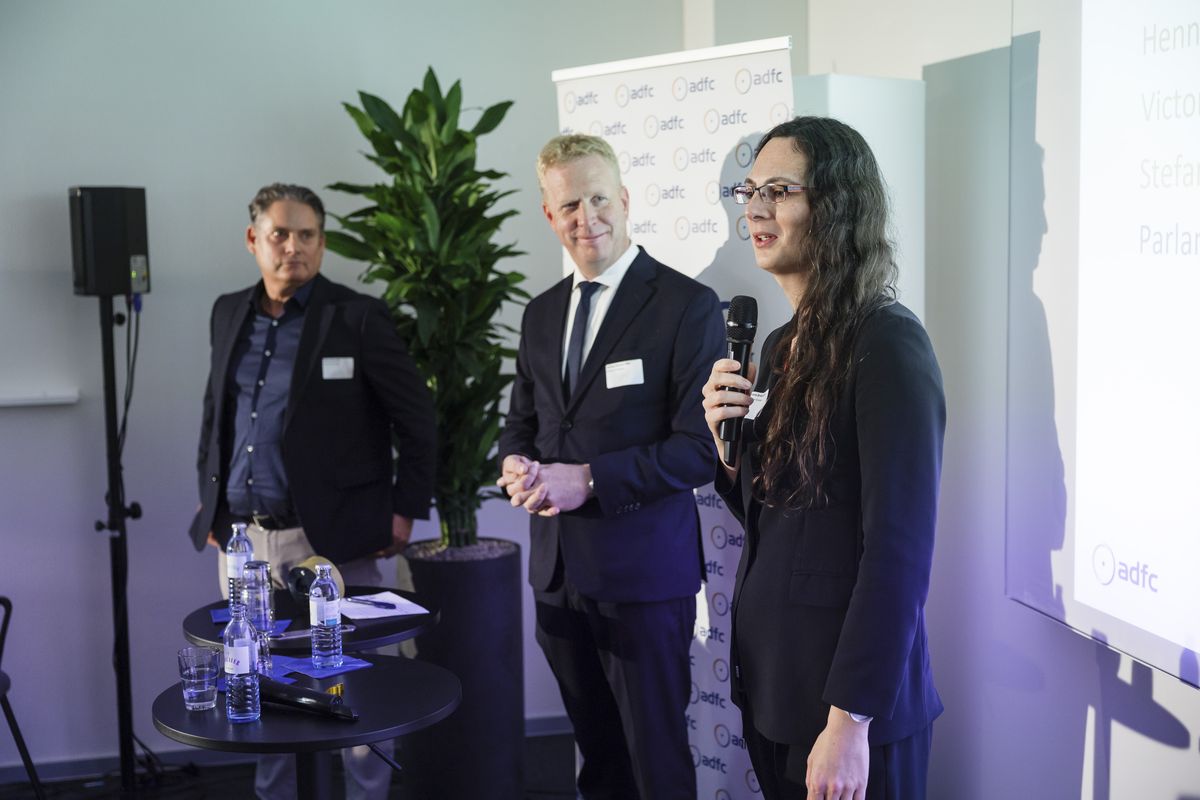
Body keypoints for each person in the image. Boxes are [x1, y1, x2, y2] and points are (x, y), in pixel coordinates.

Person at [701, 118, 945, 800]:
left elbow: (897, 551)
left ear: (835, 205)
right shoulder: (782, 345)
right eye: (748, 189)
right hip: (777, 691)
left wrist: (849, 722)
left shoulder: (888, 345)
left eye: (779, 189)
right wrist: (727, 447)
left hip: (848, 714)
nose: (754, 207)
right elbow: (777, 513)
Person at [188, 183, 435, 800]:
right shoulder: (227, 312)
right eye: (280, 234)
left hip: (331, 539)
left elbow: (418, 419)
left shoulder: (356, 317)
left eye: (307, 236)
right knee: (256, 687)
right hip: (243, 545)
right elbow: (216, 412)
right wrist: (211, 501)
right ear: (254, 241)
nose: (293, 247)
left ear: (322, 244)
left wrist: (405, 510)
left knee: (355, 693)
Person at [497, 134, 724, 800]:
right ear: (549, 215)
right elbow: (522, 425)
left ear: (624, 200)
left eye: (599, 198)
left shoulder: (686, 306)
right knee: (598, 763)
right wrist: (514, 463)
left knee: (657, 763)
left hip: (644, 580)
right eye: (569, 204)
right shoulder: (540, 314)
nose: (585, 217)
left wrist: (589, 479)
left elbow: (699, 450)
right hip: (557, 577)